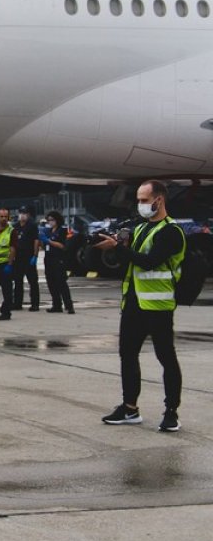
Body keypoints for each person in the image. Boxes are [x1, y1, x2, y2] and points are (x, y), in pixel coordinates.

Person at [93, 180, 186, 432]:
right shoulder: (142, 229)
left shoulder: (171, 231)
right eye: (139, 200)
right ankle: (130, 408)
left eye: (145, 200)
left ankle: (171, 412)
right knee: (128, 354)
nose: (141, 205)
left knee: (166, 357)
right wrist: (113, 247)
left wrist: (120, 249)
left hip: (158, 307)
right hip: (134, 304)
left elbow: (149, 262)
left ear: (159, 200)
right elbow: (130, 263)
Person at [40, 210, 74, 314]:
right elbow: (44, 245)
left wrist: (49, 241)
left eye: (52, 220)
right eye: (48, 220)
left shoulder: (62, 231)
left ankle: (69, 306)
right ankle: (56, 305)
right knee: (51, 283)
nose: (50, 222)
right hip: (48, 258)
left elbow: (62, 246)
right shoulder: (49, 231)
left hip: (58, 259)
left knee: (61, 283)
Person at [10, 205, 40, 311]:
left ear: (28, 215)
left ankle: (35, 304)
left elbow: (36, 241)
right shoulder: (15, 226)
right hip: (18, 258)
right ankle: (17, 303)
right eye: (21, 213)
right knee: (18, 282)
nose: (22, 216)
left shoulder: (32, 226)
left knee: (32, 282)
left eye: (25, 213)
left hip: (29, 257)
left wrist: (35, 256)